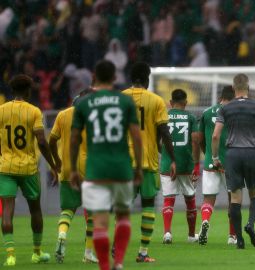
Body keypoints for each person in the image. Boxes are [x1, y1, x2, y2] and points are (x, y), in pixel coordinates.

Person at [70, 60, 143, 270]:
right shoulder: (125, 101)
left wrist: (73, 169)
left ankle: (104, 266)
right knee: (123, 215)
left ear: (94, 76)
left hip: (96, 170)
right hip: (121, 168)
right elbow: (136, 137)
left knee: (100, 222)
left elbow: (75, 138)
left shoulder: (83, 103)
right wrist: (138, 167)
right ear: (114, 78)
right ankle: (118, 262)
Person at [0, 74, 58, 266]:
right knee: (35, 211)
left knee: (7, 211)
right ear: (27, 91)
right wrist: (53, 164)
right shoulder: (34, 111)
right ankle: (36, 252)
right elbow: (41, 140)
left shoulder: (1, 110)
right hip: (28, 168)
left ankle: (10, 255)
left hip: (5, 167)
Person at [122, 62, 176, 262]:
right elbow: (164, 131)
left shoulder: (120, 99)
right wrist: (172, 158)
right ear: (146, 78)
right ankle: (143, 252)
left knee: (123, 208)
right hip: (148, 162)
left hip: (124, 162)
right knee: (147, 207)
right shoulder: (156, 101)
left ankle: (115, 248)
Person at [211, 74, 255, 249]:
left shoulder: (226, 108)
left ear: (233, 87)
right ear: (248, 87)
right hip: (252, 153)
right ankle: (250, 224)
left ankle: (239, 240)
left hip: (233, 154)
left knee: (235, 198)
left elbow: (215, 136)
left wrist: (215, 158)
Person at [49, 88, 98, 264]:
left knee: (67, 210)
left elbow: (51, 140)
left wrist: (56, 162)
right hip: (89, 168)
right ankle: (88, 253)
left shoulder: (63, 115)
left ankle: (62, 235)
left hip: (68, 167)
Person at [197, 86, 237, 246]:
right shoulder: (235, 113)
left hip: (210, 162)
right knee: (233, 199)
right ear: (233, 97)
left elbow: (200, 138)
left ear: (221, 96)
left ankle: (205, 221)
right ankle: (232, 236)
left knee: (208, 198)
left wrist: (208, 155)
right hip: (231, 162)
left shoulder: (207, 112)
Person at [160, 89, 200, 244]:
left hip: (167, 163)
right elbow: (195, 140)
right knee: (190, 199)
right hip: (186, 163)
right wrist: (196, 164)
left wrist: (165, 155)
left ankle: (167, 233)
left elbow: (159, 140)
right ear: (186, 102)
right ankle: (191, 236)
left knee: (168, 199)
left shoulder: (164, 116)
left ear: (170, 102)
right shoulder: (190, 117)